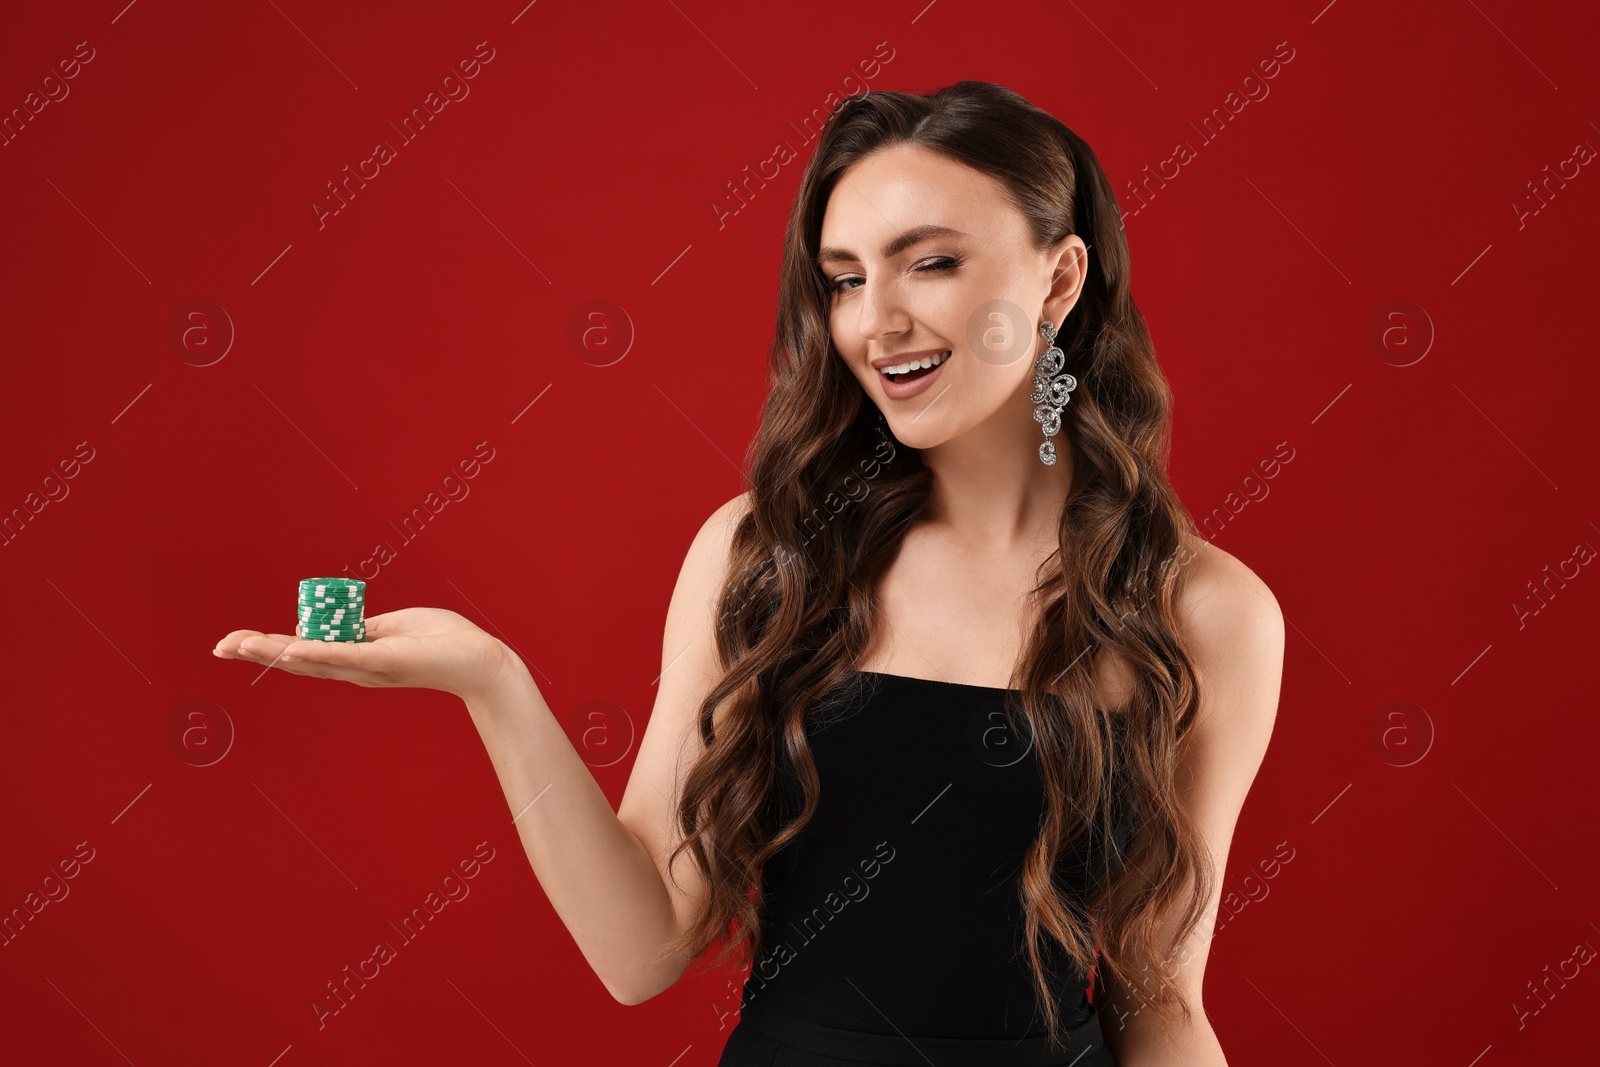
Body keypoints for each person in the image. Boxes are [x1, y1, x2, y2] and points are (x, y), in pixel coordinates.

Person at [215, 80, 1284, 1067]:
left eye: (932, 263)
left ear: (1057, 277)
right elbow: (641, 951)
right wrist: (491, 681)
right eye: (845, 279)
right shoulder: (763, 556)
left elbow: (1162, 1002)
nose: (878, 321)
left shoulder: (1203, 610)